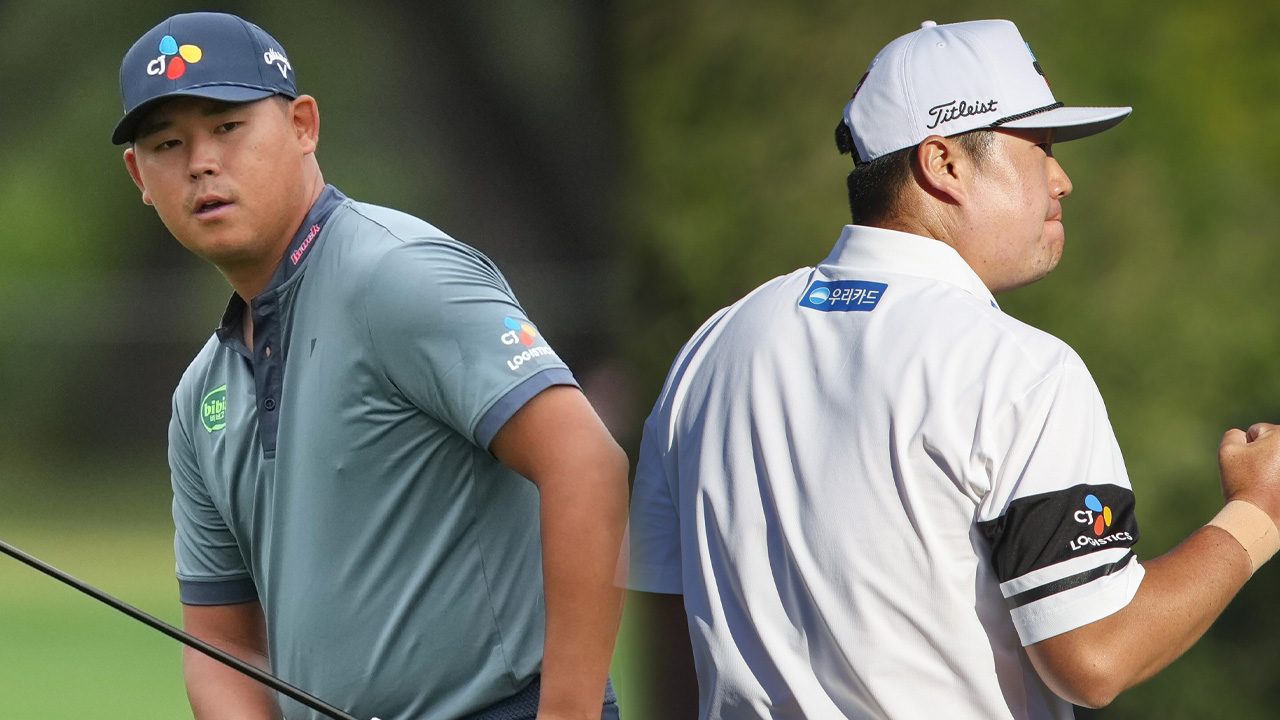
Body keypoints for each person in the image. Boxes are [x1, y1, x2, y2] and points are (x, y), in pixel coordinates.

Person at [626, 18, 1280, 720]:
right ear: (943, 164)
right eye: (1040, 147)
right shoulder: (1019, 368)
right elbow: (1096, 656)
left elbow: (663, 642)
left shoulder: (714, 344)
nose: (1062, 180)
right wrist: (1259, 512)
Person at [114, 12, 628, 720]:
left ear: (303, 126)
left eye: (228, 127)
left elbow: (586, 464)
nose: (201, 162)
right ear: (140, 175)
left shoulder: (399, 275)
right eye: (167, 144)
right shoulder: (201, 395)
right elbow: (221, 645)